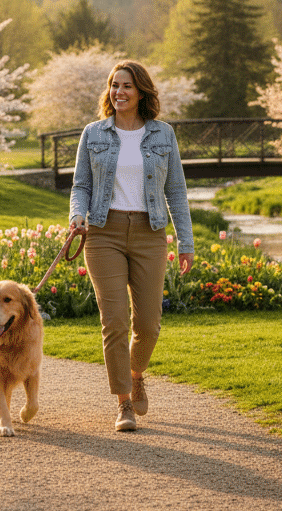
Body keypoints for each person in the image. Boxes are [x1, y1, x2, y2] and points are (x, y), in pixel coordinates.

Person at [68, 60, 194, 432]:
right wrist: (77, 216)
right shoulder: (93, 133)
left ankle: (137, 373)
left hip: (149, 232)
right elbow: (81, 186)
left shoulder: (162, 135)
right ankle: (123, 402)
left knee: (149, 323)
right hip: (103, 232)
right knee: (115, 321)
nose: (118, 92)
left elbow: (176, 192)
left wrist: (185, 242)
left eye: (126, 86)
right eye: (113, 85)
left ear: (141, 92)